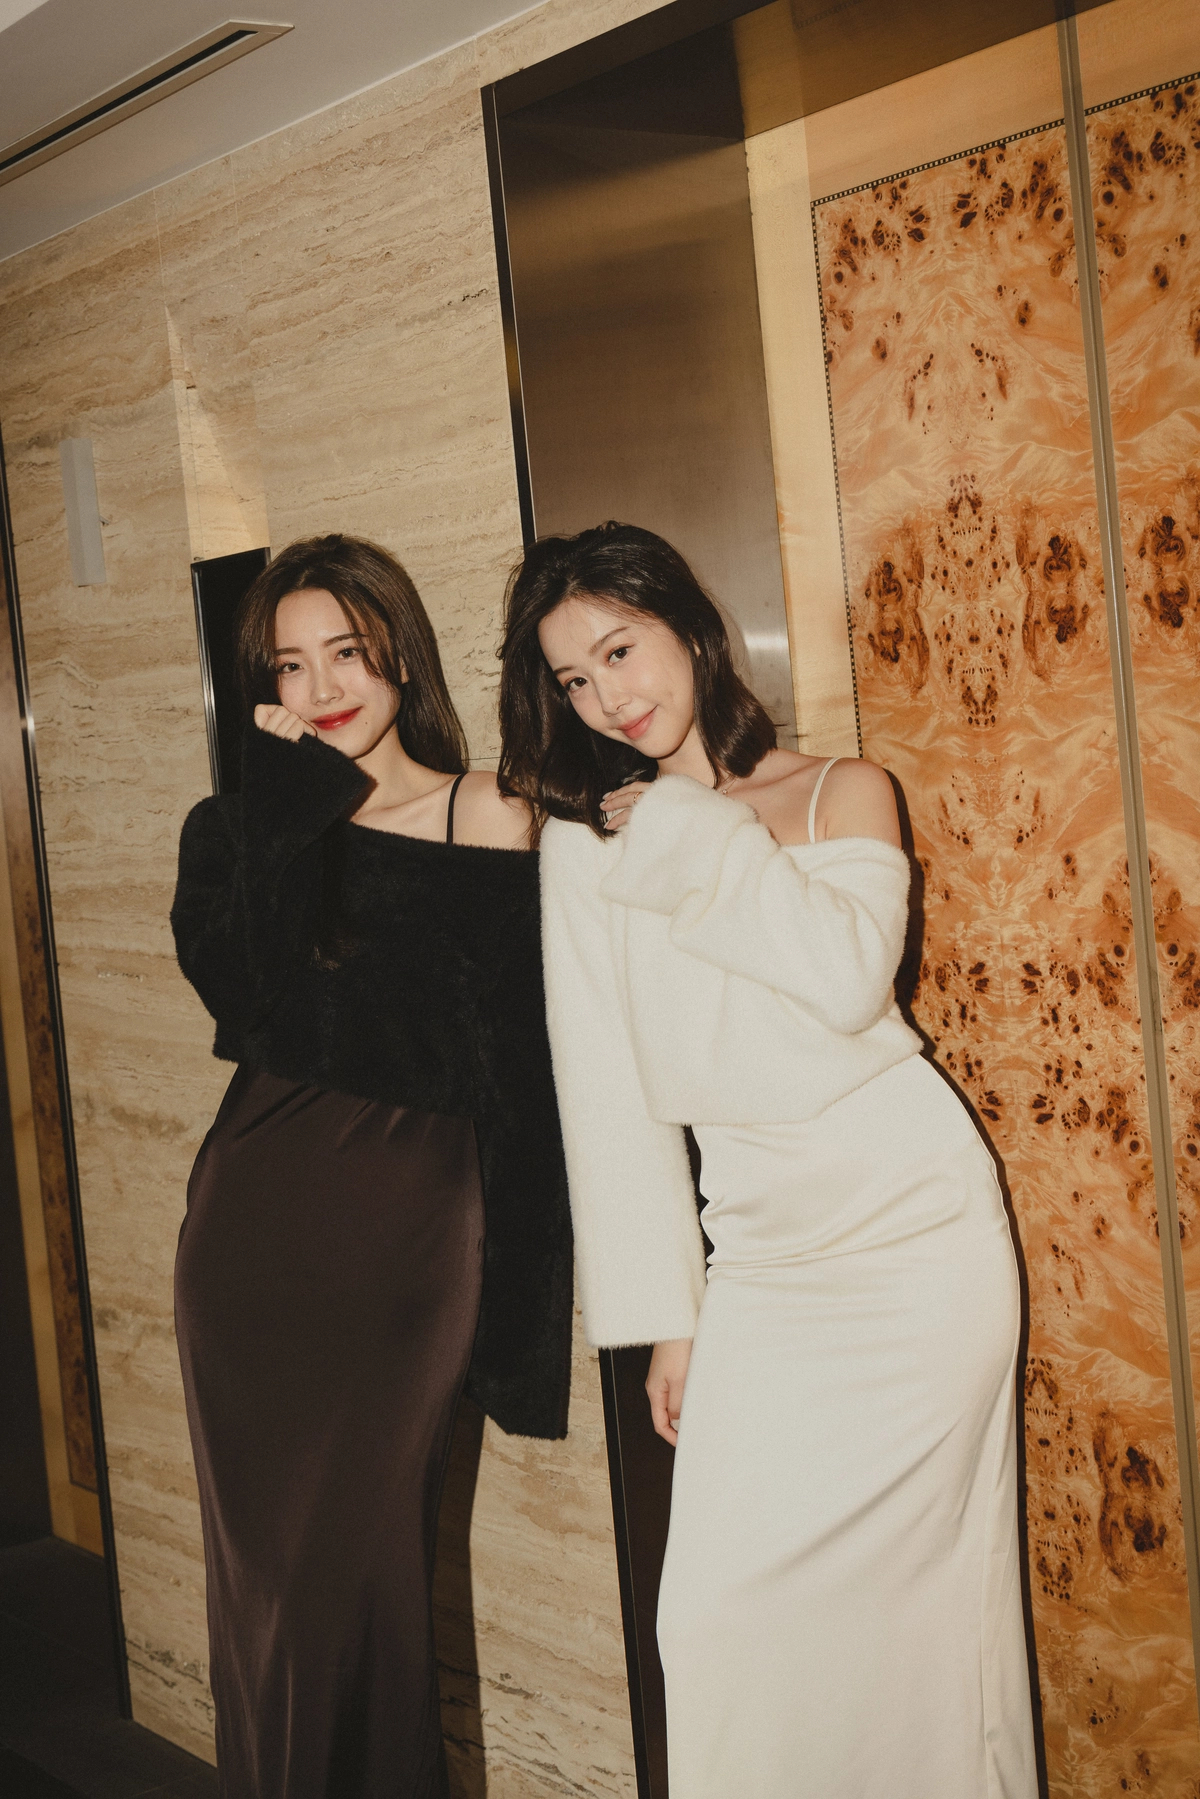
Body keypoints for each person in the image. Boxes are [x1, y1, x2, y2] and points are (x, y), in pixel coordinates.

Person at [498, 520, 1037, 1798]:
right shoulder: (588, 844)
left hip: (917, 1238)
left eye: (620, 649)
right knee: (717, 1622)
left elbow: (845, 981)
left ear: (689, 627)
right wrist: (667, 1321)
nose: (608, 696)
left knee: (924, 1617)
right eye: (573, 677)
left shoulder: (842, 788)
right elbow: (608, 1102)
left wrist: (698, 828)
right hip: (763, 1261)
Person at [171, 533, 572, 1799]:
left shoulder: (493, 809)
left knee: (358, 1588)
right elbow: (240, 996)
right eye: (289, 665)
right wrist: (290, 804)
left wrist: (520, 1318)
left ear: (400, 649)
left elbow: (526, 1075)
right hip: (251, 1237)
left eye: (346, 650)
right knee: (268, 1599)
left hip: (409, 1243)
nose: (323, 684)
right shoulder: (242, 829)